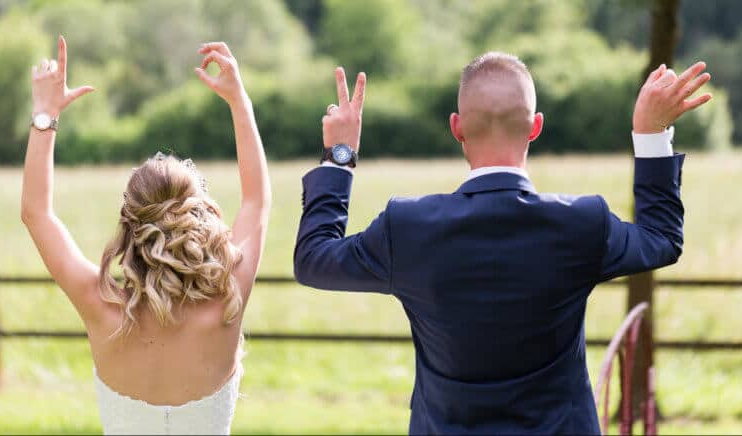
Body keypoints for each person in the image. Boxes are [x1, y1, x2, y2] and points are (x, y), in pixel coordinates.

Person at [294, 53, 713, 434]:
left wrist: (340, 155)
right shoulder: (580, 223)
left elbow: (314, 259)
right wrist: (650, 133)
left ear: (457, 127)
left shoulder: (407, 226)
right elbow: (660, 238)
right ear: (536, 127)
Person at [21, 37, 269, 435]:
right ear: (199, 216)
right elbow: (256, 202)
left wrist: (45, 116)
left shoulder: (101, 307)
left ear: (130, 225)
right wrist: (240, 103)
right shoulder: (228, 300)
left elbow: (36, 214)